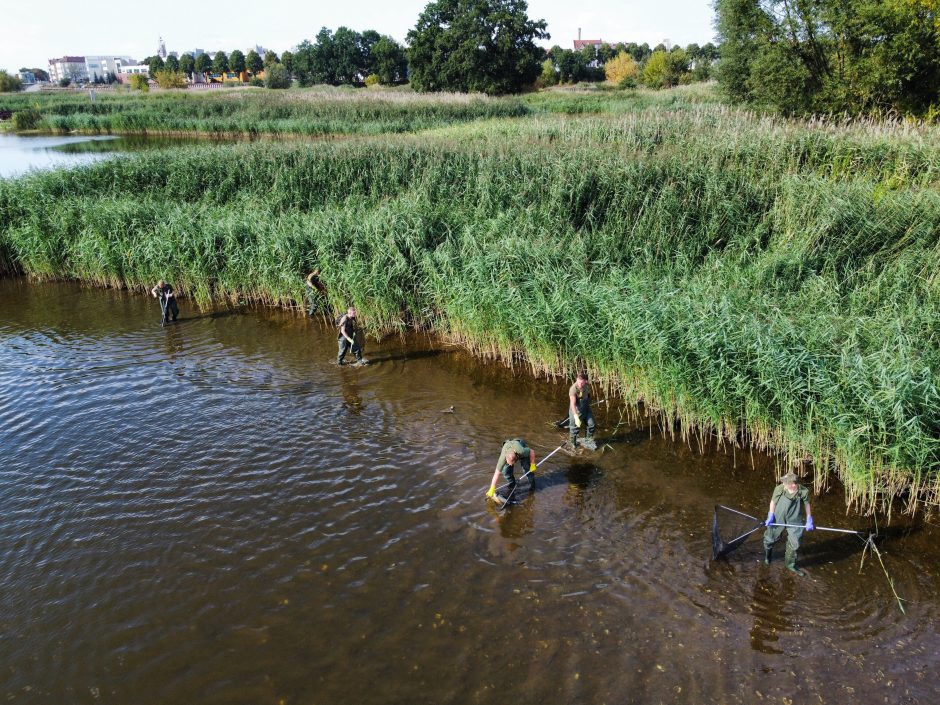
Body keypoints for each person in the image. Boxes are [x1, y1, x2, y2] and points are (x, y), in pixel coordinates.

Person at [763, 471, 814, 576]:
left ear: (793, 484)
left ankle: (790, 565)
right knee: (770, 538)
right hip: (778, 517)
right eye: (784, 482)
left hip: (794, 519)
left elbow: (807, 504)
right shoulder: (780, 489)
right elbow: (773, 502)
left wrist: (809, 518)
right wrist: (770, 515)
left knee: (795, 543)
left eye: (786, 482)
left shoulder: (803, 491)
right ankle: (767, 556)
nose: (784, 484)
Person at [486, 438, 536, 503]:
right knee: (506, 472)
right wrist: (492, 488)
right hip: (509, 452)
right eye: (509, 463)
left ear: (516, 458)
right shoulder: (502, 459)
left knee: (527, 469)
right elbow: (496, 473)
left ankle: (533, 486)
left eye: (512, 464)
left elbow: (532, 451)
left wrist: (532, 464)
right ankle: (512, 485)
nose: (511, 465)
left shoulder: (522, 451)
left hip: (520, 447)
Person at [568, 372, 595, 449]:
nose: (580, 384)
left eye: (582, 382)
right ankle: (573, 445)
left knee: (591, 425)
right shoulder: (573, 389)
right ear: (577, 379)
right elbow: (572, 404)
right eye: (579, 382)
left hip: (586, 408)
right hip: (576, 411)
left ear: (585, 381)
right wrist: (576, 417)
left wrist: (588, 402)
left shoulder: (587, 386)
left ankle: (588, 441)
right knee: (574, 430)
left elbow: (588, 396)